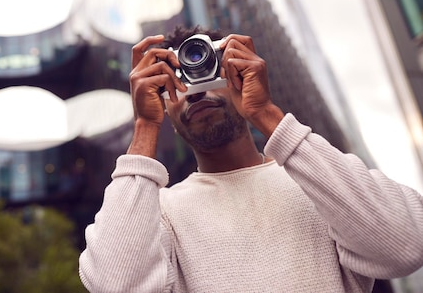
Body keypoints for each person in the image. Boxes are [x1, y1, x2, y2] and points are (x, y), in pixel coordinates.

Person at [78, 25, 423, 293]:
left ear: (238, 76)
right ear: (165, 108)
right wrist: (145, 126)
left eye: (206, 70)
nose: (194, 92)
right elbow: (117, 284)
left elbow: (406, 245)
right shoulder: (159, 213)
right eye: (176, 83)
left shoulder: (319, 178)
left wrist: (266, 113)